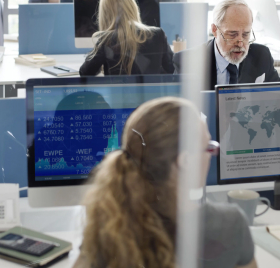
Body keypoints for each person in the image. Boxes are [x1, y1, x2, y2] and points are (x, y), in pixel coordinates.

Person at [73, 97, 257, 268]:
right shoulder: (230, 225)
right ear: (185, 161)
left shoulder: (107, 224)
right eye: (209, 147)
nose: (211, 155)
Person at [173, 0, 280, 90]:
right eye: (232, 34)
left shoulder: (261, 56)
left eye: (245, 35)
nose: (240, 44)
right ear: (215, 30)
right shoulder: (186, 62)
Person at [79, 0, 174, 76]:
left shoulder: (106, 39)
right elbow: (171, 69)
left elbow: (85, 72)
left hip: (118, 93)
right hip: (152, 93)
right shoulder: (158, 34)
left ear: (106, 14)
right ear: (132, 7)